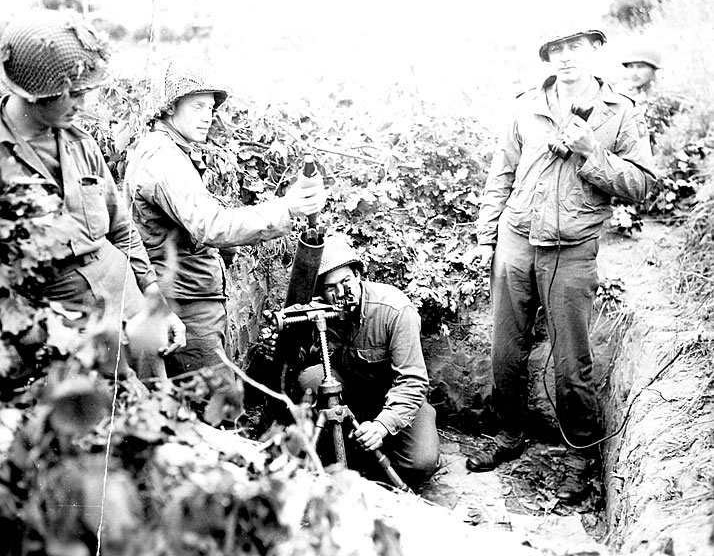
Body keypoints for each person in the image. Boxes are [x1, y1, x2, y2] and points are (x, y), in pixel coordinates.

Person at [468, 26, 656, 503]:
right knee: (505, 351)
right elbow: (501, 173)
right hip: (516, 239)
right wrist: (485, 237)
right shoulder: (526, 104)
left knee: (572, 360)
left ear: (595, 51)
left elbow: (642, 186)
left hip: (571, 246)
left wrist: (592, 152)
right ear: (547, 56)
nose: (566, 57)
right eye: (557, 49)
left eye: (576, 47)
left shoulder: (620, 113)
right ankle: (509, 434)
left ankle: (578, 454)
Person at [0, 10, 185, 377]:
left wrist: (153, 298)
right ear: (37, 94)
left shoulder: (80, 143)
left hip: (127, 300)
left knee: (154, 412)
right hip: (62, 331)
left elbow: (121, 229)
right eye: (73, 95)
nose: (83, 106)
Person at [123, 56, 326, 386]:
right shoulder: (163, 158)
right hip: (183, 303)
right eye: (198, 107)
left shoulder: (173, 151)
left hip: (189, 299)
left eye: (211, 109)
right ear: (170, 107)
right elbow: (210, 226)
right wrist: (288, 208)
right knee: (217, 405)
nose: (208, 118)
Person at [295, 236, 440, 489]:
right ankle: (340, 454)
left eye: (346, 282)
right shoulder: (320, 311)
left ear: (359, 275)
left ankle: (377, 454)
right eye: (330, 288)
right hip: (351, 396)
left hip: (397, 399)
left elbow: (413, 381)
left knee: (421, 463)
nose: (340, 293)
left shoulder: (394, 310)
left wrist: (383, 425)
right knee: (310, 379)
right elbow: (301, 360)